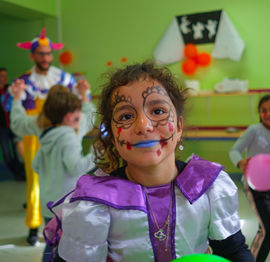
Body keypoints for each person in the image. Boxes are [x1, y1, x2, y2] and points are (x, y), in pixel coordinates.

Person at [44, 62, 254, 262]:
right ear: (112, 136)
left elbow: (234, 251)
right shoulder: (95, 204)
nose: (143, 125)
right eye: (126, 116)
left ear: (179, 127)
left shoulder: (208, 187)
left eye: (158, 111)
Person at [2, 28, 92, 246]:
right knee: (35, 182)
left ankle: (54, 232)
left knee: (52, 179)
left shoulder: (63, 78)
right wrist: (18, 140)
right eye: (40, 54)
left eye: (48, 53)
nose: (45, 57)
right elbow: (12, 111)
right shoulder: (24, 80)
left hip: (50, 133)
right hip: (37, 133)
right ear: (32, 55)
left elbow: (19, 119)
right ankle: (34, 225)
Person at [11, 81, 96, 261]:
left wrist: (17, 98)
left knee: (52, 242)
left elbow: (35, 164)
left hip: (48, 202)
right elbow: (77, 167)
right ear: (69, 115)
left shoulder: (44, 130)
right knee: (68, 246)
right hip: (67, 203)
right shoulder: (71, 133)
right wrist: (95, 152)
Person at [229, 94, 270, 262]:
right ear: (259, 113)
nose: (267, 114)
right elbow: (234, 150)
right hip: (254, 185)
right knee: (268, 229)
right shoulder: (254, 130)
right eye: (263, 110)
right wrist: (240, 162)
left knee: (266, 227)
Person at [0, 67, 25, 181]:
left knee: (18, 153)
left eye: (5, 76)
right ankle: (17, 173)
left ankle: (20, 173)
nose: (3, 78)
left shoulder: (10, 89)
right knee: (6, 155)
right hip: (2, 128)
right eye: (1, 76)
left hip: (13, 126)